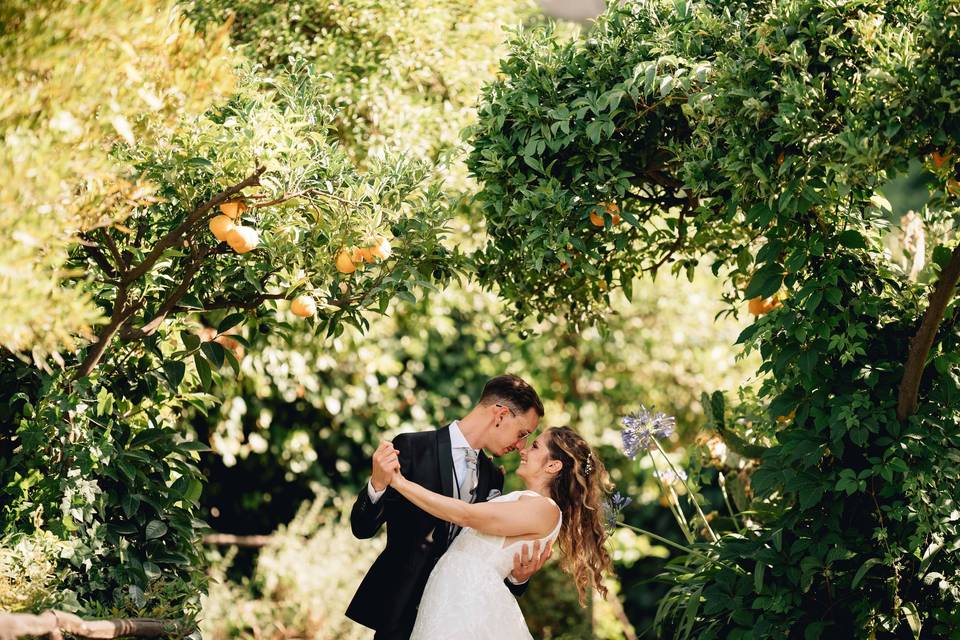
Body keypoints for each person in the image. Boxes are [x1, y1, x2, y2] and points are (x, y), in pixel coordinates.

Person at [346, 374, 551, 640]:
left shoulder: (493, 475)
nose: (521, 445)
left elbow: (483, 558)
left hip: (457, 619)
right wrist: (377, 483)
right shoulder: (412, 447)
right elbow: (361, 529)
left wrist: (518, 579)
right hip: (398, 613)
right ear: (499, 415)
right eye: (522, 433)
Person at [387, 426, 613, 639]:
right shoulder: (526, 501)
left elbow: (466, 515)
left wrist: (399, 482)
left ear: (553, 466)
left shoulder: (545, 508)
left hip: (468, 603)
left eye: (534, 446)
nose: (523, 450)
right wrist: (518, 576)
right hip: (453, 595)